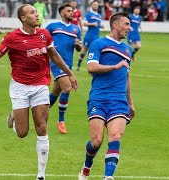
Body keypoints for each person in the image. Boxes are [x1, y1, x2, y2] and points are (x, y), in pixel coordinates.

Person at [0, 4, 78, 180]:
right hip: (20, 87)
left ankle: (41, 175)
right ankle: (14, 115)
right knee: (22, 133)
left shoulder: (44, 34)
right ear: (23, 18)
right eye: (32, 13)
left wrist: (70, 73)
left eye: (36, 12)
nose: (36, 15)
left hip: (40, 85)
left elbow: (54, 56)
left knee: (42, 126)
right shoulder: (12, 37)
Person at [78, 12, 135, 180]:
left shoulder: (127, 49)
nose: (129, 28)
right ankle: (87, 165)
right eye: (126, 24)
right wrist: (114, 67)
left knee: (115, 136)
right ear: (115, 25)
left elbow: (127, 76)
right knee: (96, 142)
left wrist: (130, 103)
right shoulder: (99, 43)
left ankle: (108, 177)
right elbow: (91, 68)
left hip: (119, 101)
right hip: (99, 97)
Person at [46, 3, 82, 134]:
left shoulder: (76, 29)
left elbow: (79, 48)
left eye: (72, 11)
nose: (72, 13)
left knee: (56, 92)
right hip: (55, 62)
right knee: (67, 88)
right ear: (62, 13)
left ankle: (38, 112)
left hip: (68, 64)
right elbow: (42, 39)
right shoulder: (53, 27)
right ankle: (61, 121)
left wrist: (78, 45)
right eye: (68, 11)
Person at [76, 0, 103, 72]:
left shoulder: (99, 15)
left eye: (97, 5)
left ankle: (94, 68)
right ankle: (78, 66)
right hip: (89, 36)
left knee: (96, 52)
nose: (96, 6)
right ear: (91, 6)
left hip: (96, 36)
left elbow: (98, 25)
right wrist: (92, 24)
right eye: (94, 5)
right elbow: (84, 23)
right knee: (84, 51)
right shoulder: (89, 14)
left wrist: (101, 26)